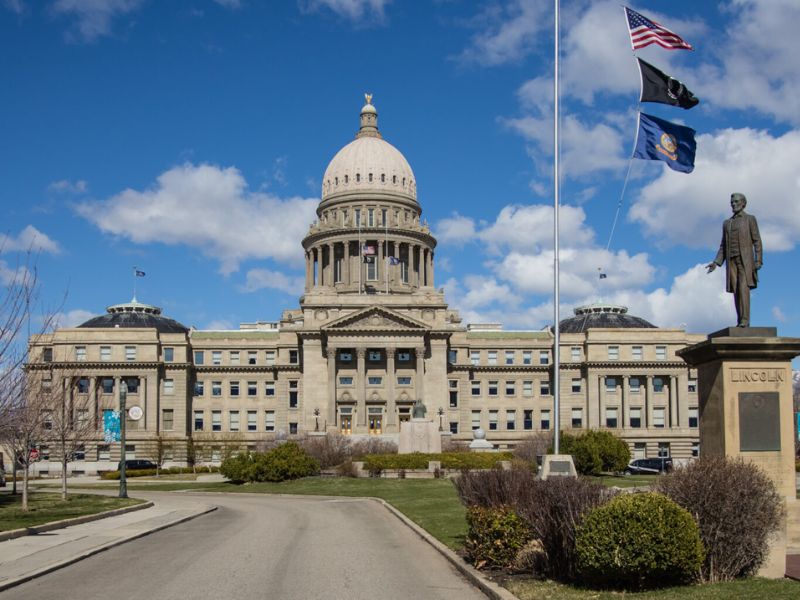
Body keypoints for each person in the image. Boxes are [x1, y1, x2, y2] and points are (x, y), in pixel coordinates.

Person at [706, 193, 762, 327]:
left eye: (736, 202)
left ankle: (745, 320)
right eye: (732, 202)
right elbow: (723, 246)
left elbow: (757, 241)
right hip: (731, 262)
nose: (733, 204)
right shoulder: (727, 223)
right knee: (736, 291)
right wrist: (716, 263)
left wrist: (758, 260)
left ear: (743, 203)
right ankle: (740, 320)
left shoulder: (750, 219)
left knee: (743, 288)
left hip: (745, 262)